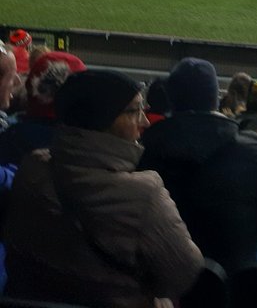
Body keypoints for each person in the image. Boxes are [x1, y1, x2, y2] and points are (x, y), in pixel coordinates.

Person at [4, 69, 204, 308]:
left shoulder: (31, 168)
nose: (145, 121)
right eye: (134, 111)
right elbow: (184, 274)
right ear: (102, 119)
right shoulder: (144, 195)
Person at [139, 57, 257, 272]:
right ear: (213, 98)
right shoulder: (251, 148)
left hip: (171, 266)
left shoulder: (148, 149)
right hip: (235, 269)